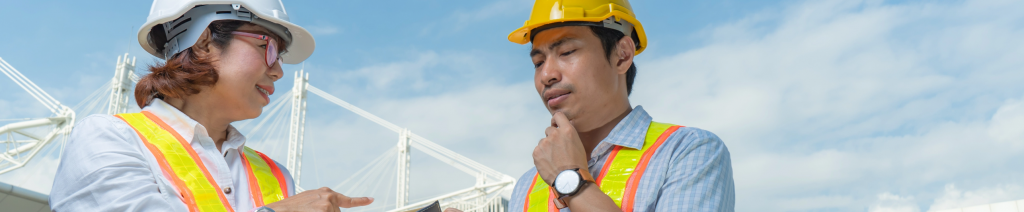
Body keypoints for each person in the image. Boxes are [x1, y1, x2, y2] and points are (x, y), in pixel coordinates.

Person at [49, 0, 371, 211]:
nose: (279, 70)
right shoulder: (107, 142)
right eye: (269, 47)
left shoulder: (276, 177)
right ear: (204, 41)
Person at [450, 0, 736, 211]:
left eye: (567, 52)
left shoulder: (688, 152)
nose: (547, 75)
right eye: (538, 62)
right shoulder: (528, 185)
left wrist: (570, 181)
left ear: (622, 55)